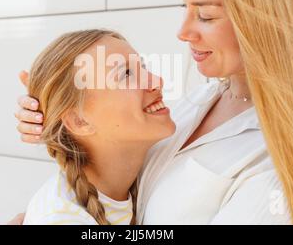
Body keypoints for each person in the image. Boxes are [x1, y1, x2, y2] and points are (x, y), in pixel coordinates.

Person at [14, 0, 293, 224]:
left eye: (205, 15)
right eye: (185, 6)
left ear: (270, 15)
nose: (183, 31)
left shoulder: (280, 166)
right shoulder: (201, 100)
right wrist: (58, 122)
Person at [20, 29, 176, 225]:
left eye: (143, 67)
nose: (157, 81)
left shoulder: (136, 181)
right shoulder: (62, 219)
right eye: (126, 74)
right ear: (79, 121)